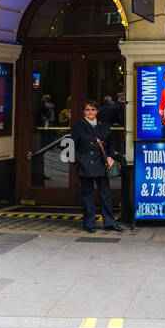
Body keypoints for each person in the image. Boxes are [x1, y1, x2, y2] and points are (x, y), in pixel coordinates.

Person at [72, 99, 124, 233]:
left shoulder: (104, 125)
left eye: (93, 109)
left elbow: (110, 144)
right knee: (88, 195)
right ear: (84, 112)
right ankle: (89, 224)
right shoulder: (78, 126)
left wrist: (110, 157)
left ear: (97, 111)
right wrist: (79, 160)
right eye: (88, 109)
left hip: (101, 163)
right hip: (85, 164)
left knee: (105, 194)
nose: (90, 112)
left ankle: (110, 223)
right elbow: (73, 146)